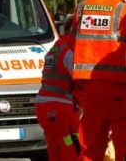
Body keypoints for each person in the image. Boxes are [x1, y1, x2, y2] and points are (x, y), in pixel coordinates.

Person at [71, 0, 126, 161]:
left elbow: (71, 42)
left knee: (90, 145)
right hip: (119, 87)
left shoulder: (82, 7)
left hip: (89, 89)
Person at [35, 14, 81, 161]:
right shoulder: (70, 49)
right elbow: (80, 78)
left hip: (44, 106)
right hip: (60, 107)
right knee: (71, 146)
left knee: (55, 148)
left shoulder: (55, 48)